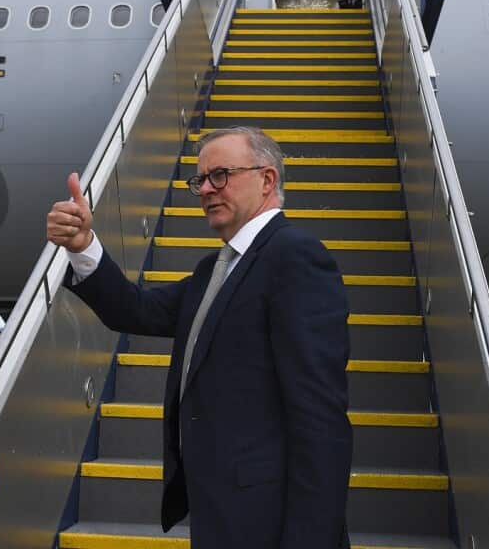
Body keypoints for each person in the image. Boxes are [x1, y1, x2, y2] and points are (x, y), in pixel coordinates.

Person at [47, 126, 352, 549]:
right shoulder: (216, 269)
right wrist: (84, 246)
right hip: (222, 511)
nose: (207, 189)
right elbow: (136, 310)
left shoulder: (294, 258)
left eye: (221, 175)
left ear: (268, 180)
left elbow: (320, 419)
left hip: (270, 519)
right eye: (201, 180)